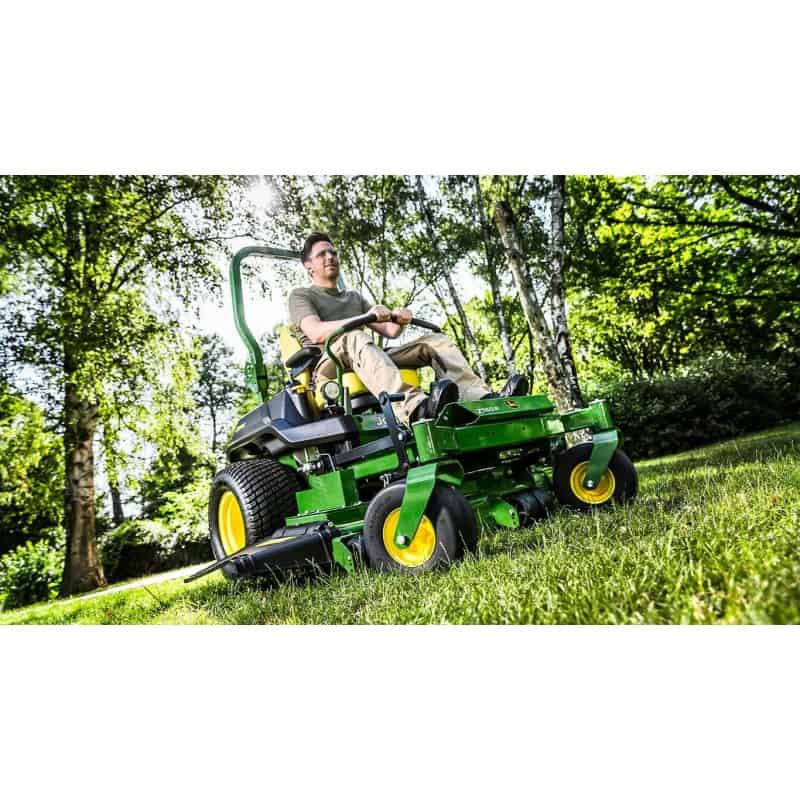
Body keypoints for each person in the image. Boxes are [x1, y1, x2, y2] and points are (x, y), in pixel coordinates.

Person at [287, 232, 528, 424]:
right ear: (309, 266)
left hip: (365, 355)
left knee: (435, 340)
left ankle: (481, 398)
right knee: (354, 336)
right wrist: (364, 317)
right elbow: (316, 332)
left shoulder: (354, 298)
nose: (330, 257)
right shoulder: (301, 295)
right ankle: (414, 407)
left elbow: (390, 332)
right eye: (321, 254)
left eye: (333, 252)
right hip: (329, 363)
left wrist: (398, 318)